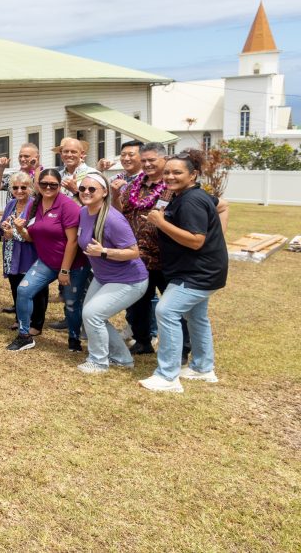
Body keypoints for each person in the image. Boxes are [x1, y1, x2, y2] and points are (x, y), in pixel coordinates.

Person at [139, 151, 229, 393]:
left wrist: (161, 223)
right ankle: (202, 368)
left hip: (198, 273)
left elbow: (196, 241)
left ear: (193, 175)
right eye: (167, 171)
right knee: (196, 317)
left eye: (177, 172)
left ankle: (168, 376)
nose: (170, 176)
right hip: (197, 270)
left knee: (166, 311)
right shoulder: (186, 195)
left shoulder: (191, 201)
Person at [7, 168, 89, 352]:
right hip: (46, 262)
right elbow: (31, 237)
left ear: (59, 186)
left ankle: (74, 340)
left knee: (71, 304)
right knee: (24, 290)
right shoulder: (34, 204)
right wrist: (20, 229)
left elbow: (73, 240)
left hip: (73, 265)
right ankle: (24, 336)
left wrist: (65, 270)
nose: (48, 187)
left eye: (53, 184)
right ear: (38, 185)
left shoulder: (68, 206)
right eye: (44, 184)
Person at [75, 171, 149, 374]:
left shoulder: (112, 219)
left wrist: (104, 251)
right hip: (104, 277)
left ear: (105, 192)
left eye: (92, 189)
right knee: (91, 315)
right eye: (82, 188)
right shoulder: (83, 212)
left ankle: (98, 362)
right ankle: (122, 358)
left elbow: (134, 252)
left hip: (130, 280)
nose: (86, 192)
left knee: (92, 314)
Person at [115, 142, 170, 354]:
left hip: (165, 256)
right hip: (139, 255)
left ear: (163, 160)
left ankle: (181, 347)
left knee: (172, 304)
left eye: (151, 160)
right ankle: (142, 341)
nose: (146, 164)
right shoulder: (135, 185)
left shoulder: (172, 185)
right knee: (138, 302)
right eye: (144, 160)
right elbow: (122, 212)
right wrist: (114, 194)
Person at [0, 172, 47, 334]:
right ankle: (20, 319)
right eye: (15, 187)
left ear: (31, 188)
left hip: (30, 253)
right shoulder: (11, 204)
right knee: (16, 286)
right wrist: (4, 227)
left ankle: (36, 323)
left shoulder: (36, 206)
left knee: (36, 289)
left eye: (23, 187)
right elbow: (0, 228)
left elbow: (37, 233)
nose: (19, 191)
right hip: (11, 254)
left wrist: (15, 233)